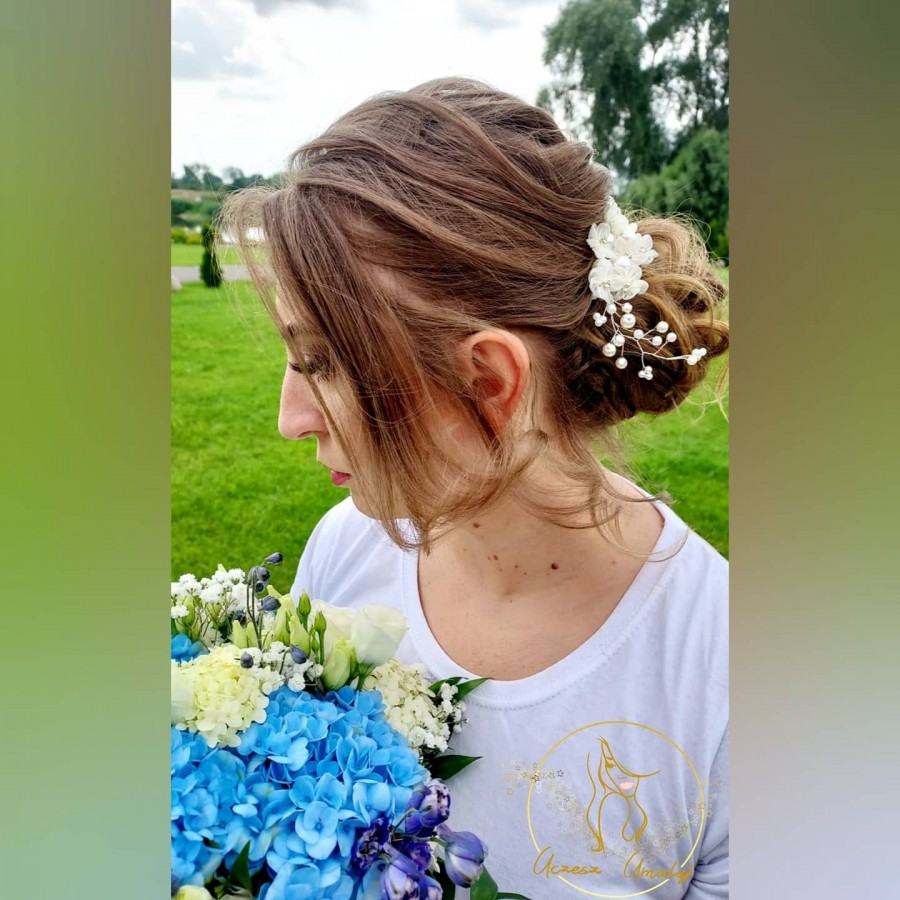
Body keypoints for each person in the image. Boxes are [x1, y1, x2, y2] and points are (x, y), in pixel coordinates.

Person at [221, 77, 729, 900]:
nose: (290, 418)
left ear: (489, 380)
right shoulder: (343, 554)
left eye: (319, 361)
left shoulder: (725, 675)